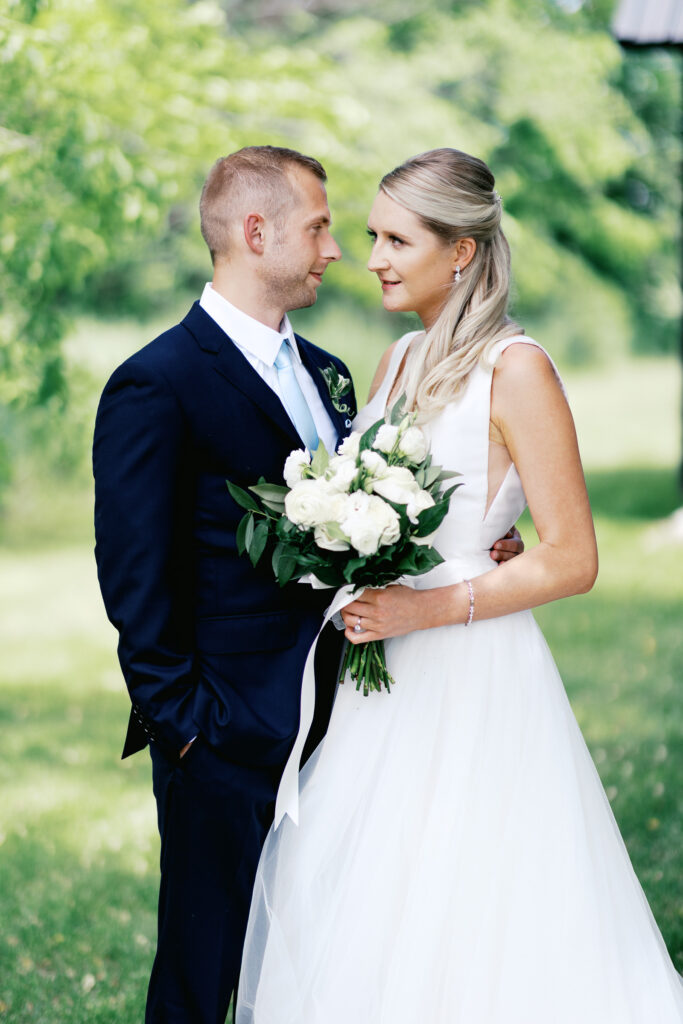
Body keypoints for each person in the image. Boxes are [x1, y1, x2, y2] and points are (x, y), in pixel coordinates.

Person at [236, 148, 683, 1024]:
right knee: (373, 879)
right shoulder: (397, 361)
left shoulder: (517, 369)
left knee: (472, 882)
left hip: (473, 671)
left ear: (463, 251)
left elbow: (573, 557)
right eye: (370, 235)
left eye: (398, 238)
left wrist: (431, 604)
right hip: (384, 669)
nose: (372, 257)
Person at [92, 145, 523, 1024]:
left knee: (311, 962)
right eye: (321, 227)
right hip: (222, 733)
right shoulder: (157, 382)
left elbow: (369, 515)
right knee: (202, 970)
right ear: (256, 233)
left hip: (352, 718)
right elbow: (132, 578)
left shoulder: (331, 372)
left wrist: (473, 538)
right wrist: (187, 731)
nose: (337, 251)